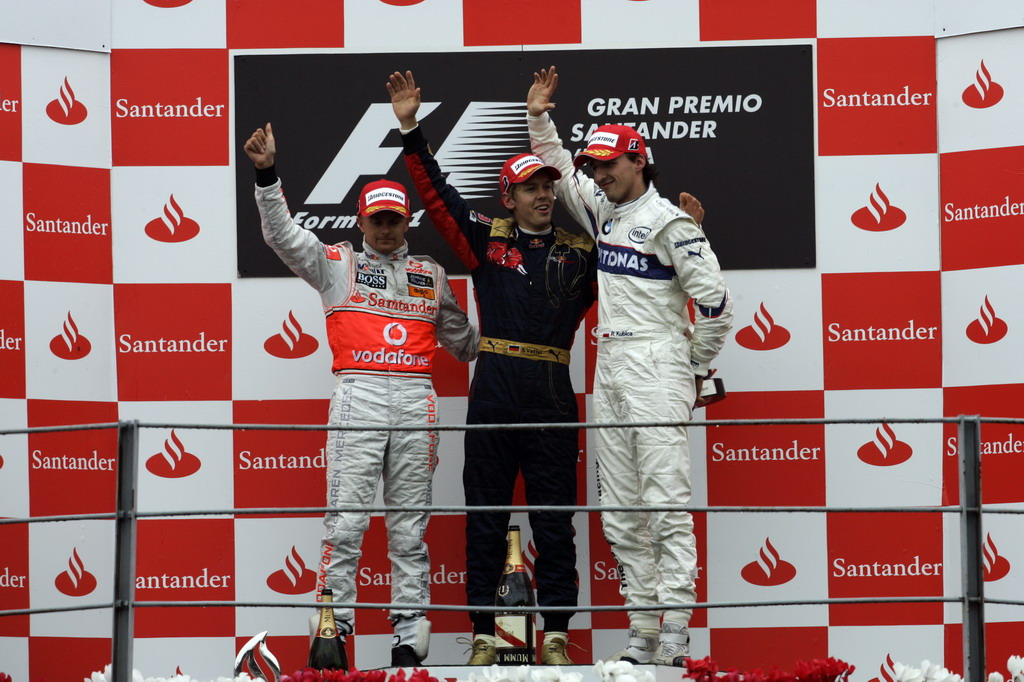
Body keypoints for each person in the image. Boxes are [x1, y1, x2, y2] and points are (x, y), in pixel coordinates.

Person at [243, 122, 480, 668]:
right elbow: (282, 235)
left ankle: (408, 635)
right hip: (359, 394)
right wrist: (266, 175)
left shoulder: (430, 274)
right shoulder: (337, 265)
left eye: (396, 219)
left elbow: (465, 345)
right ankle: (333, 629)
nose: (388, 228)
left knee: (408, 527)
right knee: (346, 521)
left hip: (417, 401)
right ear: (361, 220)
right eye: (378, 219)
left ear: (407, 221)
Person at [525, 66, 734, 667]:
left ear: (639, 161)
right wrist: (539, 116)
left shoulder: (671, 221)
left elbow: (716, 302)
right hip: (609, 362)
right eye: (597, 164)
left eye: (610, 163)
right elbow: (560, 167)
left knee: (665, 501)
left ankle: (674, 628)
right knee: (619, 508)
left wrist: (689, 367)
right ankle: (642, 626)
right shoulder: (601, 210)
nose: (599, 172)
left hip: (658, 359)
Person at [386, 69, 592, 666]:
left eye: (549, 186)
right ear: (509, 197)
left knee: (555, 521)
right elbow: (438, 196)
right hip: (495, 390)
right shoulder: (484, 239)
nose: (544, 195)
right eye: (531, 188)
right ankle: (482, 632)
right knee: (484, 517)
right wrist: (410, 129)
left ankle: (554, 633)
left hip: (553, 390)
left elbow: (636, 282)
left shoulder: (585, 253)